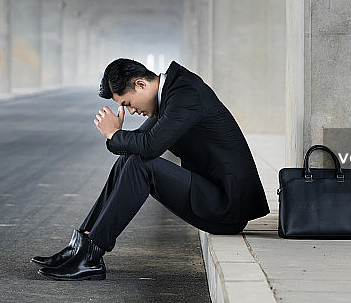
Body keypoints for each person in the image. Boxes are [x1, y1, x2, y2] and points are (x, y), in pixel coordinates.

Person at [32, 58, 269, 280]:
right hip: (212, 194)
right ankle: (83, 244)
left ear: (141, 84)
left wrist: (115, 134)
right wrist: (118, 135)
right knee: (131, 160)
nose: (132, 111)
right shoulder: (171, 94)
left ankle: (92, 255)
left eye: (128, 104)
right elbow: (140, 141)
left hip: (226, 208)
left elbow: (150, 146)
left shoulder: (186, 94)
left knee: (140, 164)